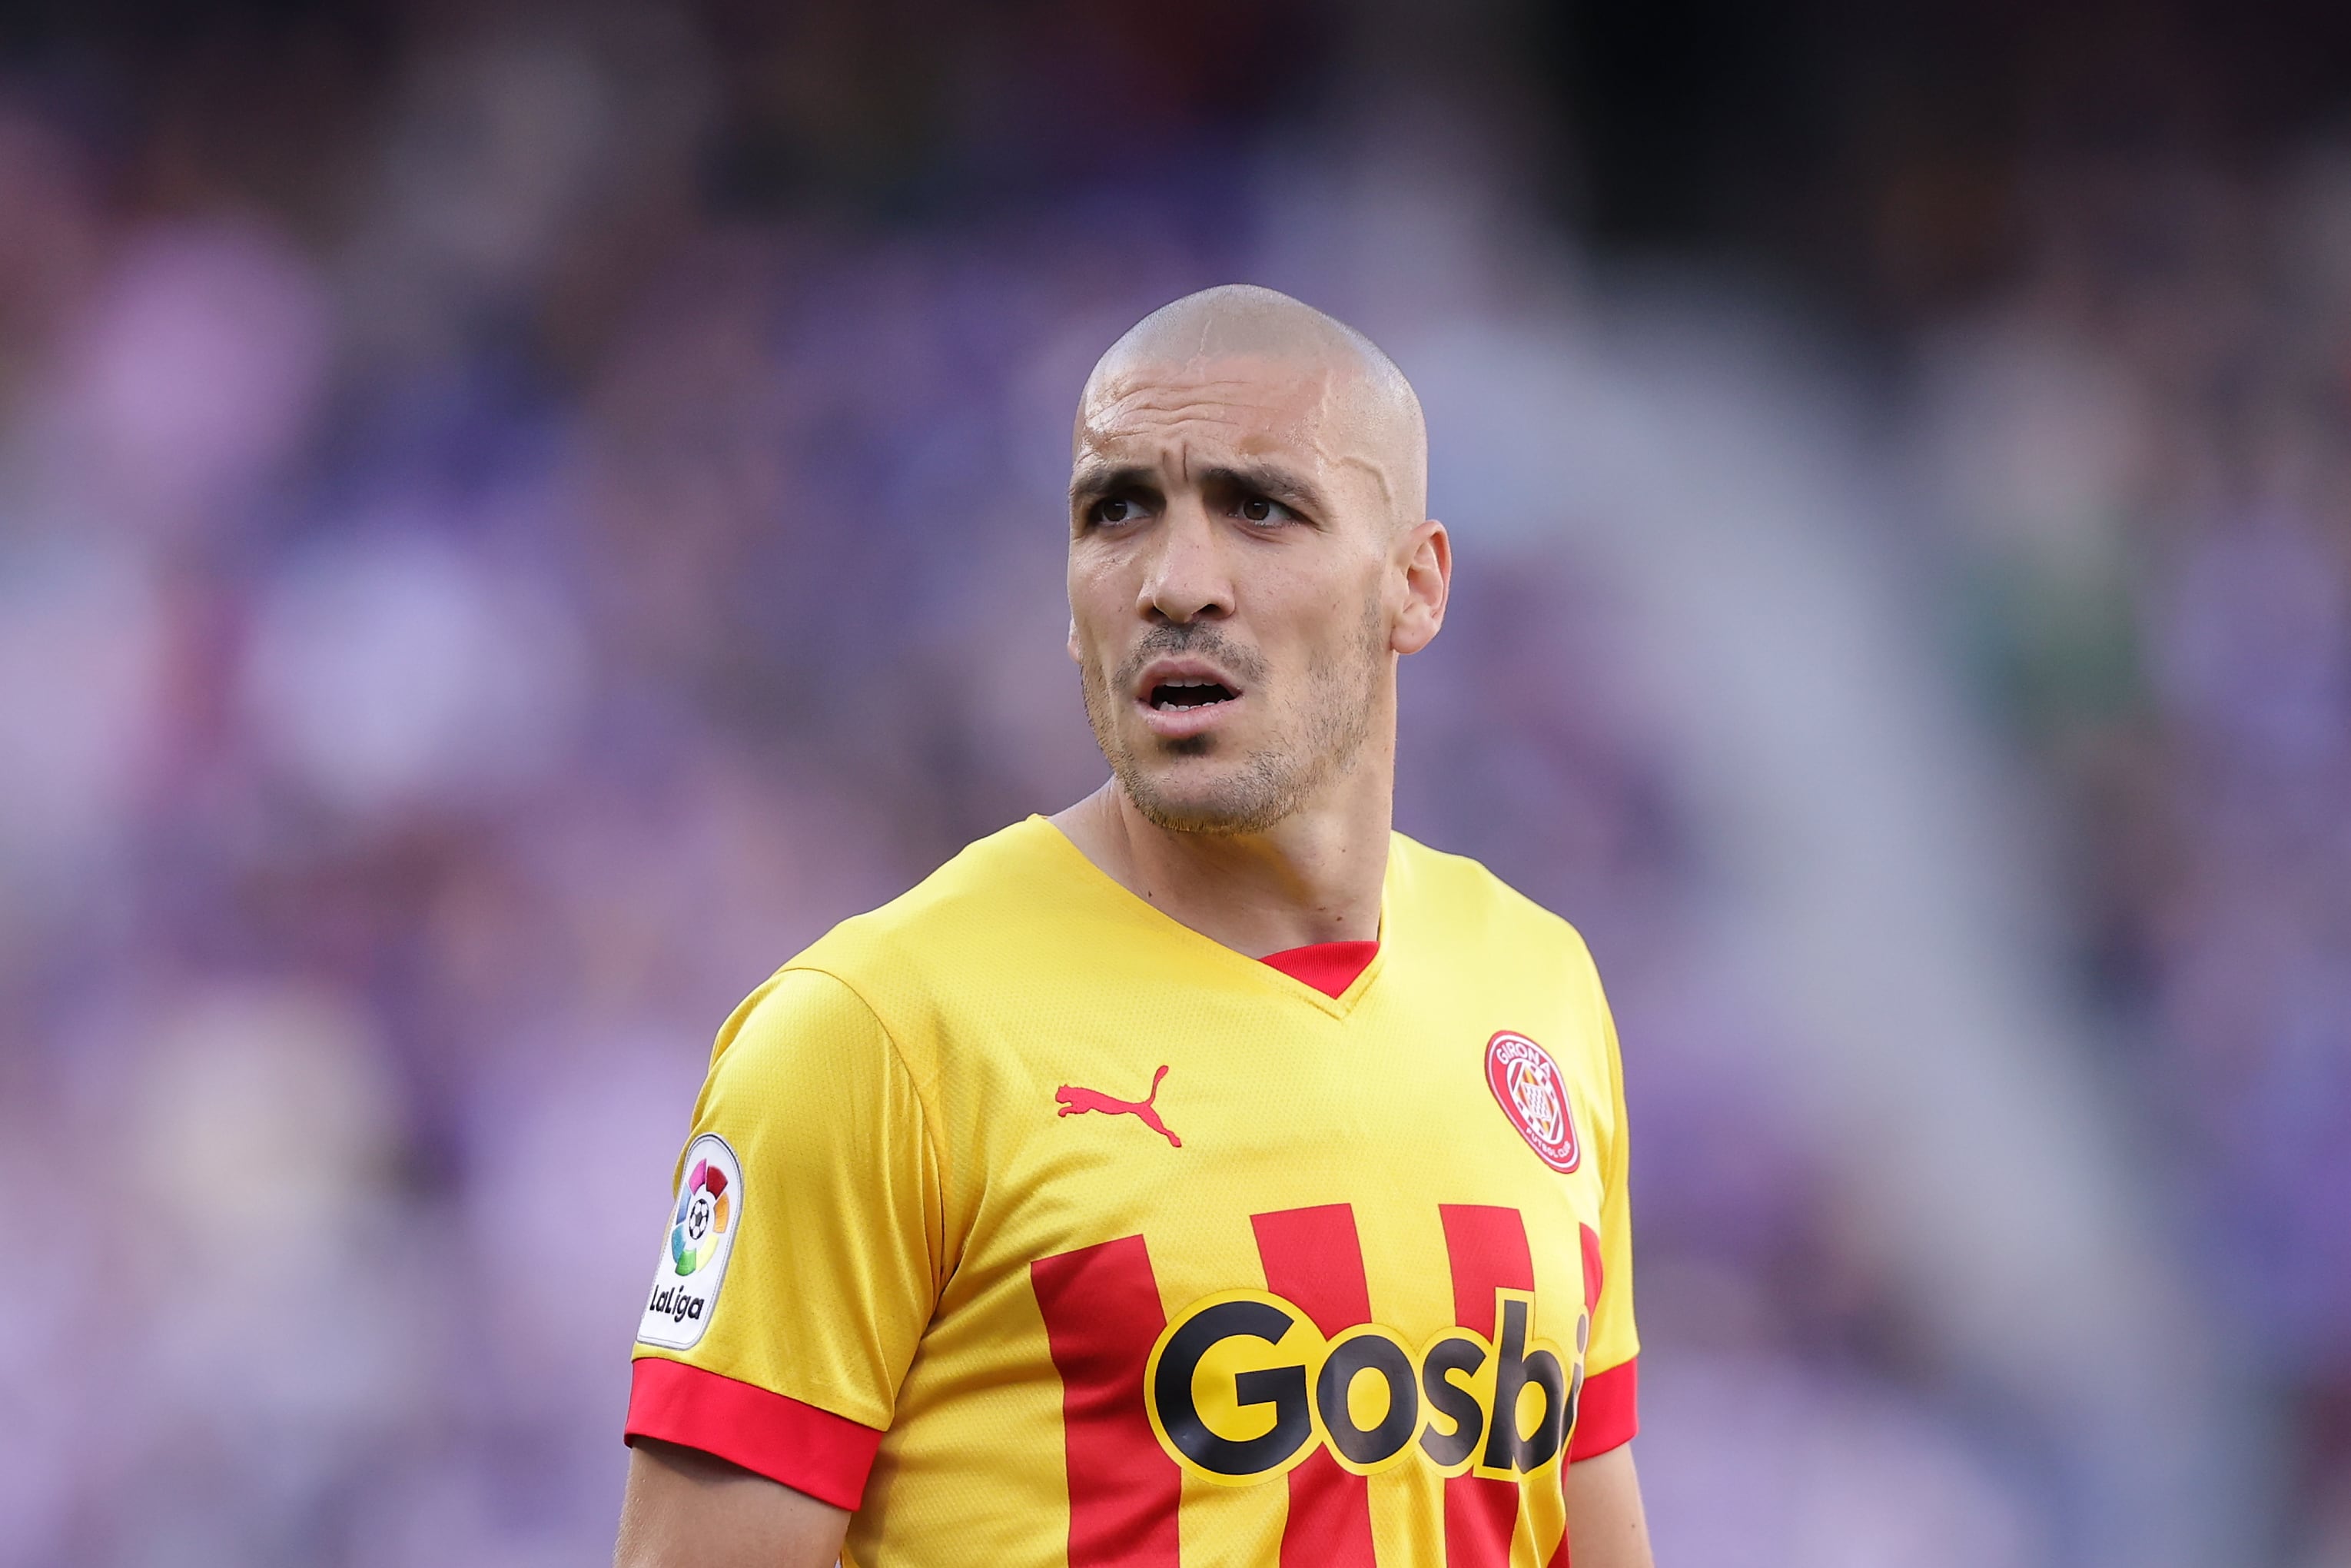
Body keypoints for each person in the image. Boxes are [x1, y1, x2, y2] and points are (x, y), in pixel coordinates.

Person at [612, 284, 1653, 1568]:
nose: (1176, 581)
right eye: (1117, 512)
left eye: (1260, 507)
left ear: (1415, 587)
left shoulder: (1537, 984)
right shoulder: (872, 1037)